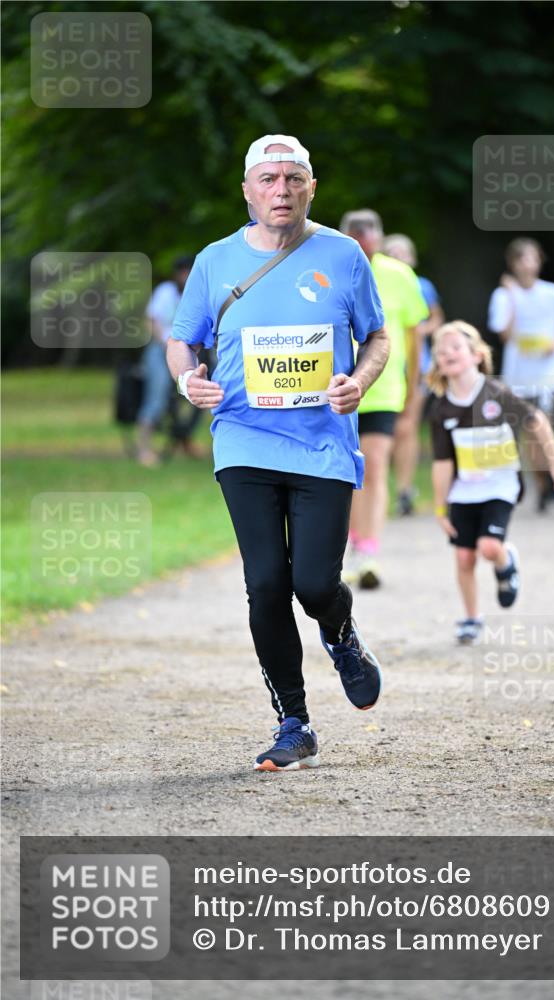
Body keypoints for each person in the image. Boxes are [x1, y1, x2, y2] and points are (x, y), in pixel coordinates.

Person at [166, 135, 390, 771]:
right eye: (268, 179)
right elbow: (182, 341)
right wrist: (187, 381)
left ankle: (341, 635)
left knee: (314, 583)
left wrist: (360, 381)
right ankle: (295, 721)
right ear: (248, 191)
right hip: (243, 438)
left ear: (311, 188)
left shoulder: (343, 255)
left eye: (293, 178)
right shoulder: (215, 261)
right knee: (265, 583)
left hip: (322, 444)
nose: (281, 190)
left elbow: (377, 337)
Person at [429, 322, 554, 645]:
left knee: (489, 547)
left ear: (477, 355)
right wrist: (440, 506)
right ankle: (471, 618)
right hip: (464, 490)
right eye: (440, 351)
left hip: (500, 486)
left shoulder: (496, 393)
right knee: (464, 558)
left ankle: (506, 562)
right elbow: (442, 463)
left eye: (455, 347)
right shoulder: (441, 409)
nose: (448, 354)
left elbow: (537, 421)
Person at [338, 210, 428, 588]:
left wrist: (414, 386)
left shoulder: (400, 275)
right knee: (343, 472)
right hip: (337, 388)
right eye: (355, 232)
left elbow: (414, 336)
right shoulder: (331, 269)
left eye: (369, 231)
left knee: (374, 466)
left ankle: (368, 550)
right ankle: (349, 543)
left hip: (385, 388)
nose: (363, 238)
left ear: (380, 235)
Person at [487, 238, 554, 512]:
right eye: (521, 258)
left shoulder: (553, 293)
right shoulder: (502, 296)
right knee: (529, 432)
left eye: (532, 258)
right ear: (512, 263)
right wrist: (512, 295)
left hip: (548, 373)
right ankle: (544, 482)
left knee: (541, 427)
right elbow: (505, 333)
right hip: (518, 375)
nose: (527, 264)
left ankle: (551, 478)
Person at [384, 232, 445, 516]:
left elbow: (436, 319)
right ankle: (381, 487)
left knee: (406, 426)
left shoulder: (422, 285)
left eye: (403, 252)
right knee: (384, 431)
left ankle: (405, 489)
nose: (399, 257)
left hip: (417, 363)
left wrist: (416, 330)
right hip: (386, 364)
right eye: (392, 253)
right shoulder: (377, 281)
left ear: (413, 258)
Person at [137, 255, 202, 466]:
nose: (186, 276)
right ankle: (144, 449)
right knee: (157, 395)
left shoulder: (199, 292)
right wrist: (168, 345)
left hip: (191, 351)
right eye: (183, 271)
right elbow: (152, 321)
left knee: (200, 395)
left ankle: (185, 440)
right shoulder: (165, 292)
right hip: (160, 349)